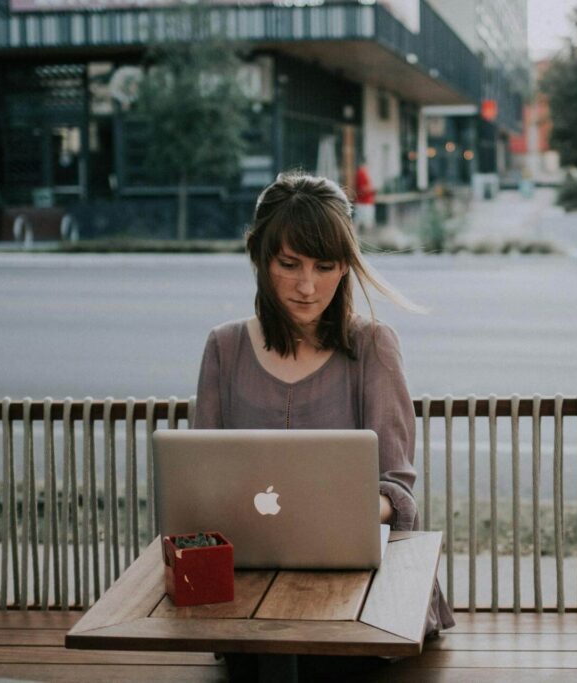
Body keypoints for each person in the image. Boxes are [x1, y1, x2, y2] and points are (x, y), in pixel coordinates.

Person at [193, 172, 453, 680]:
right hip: (249, 591)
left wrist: (332, 511)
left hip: (360, 594)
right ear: (259, 258)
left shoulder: (373, 346)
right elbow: (200, 481)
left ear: (346, 267)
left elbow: (398, 493)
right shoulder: (225, 348)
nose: (307, 286)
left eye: (325, 266)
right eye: (288, 265)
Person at [353, 160, 377, 234]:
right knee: (363, 222)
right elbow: (362, 189)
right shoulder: (362, 173)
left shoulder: (363, 172)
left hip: (364, 202)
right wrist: (372, 190)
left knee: (361, 222)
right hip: (364, 202)